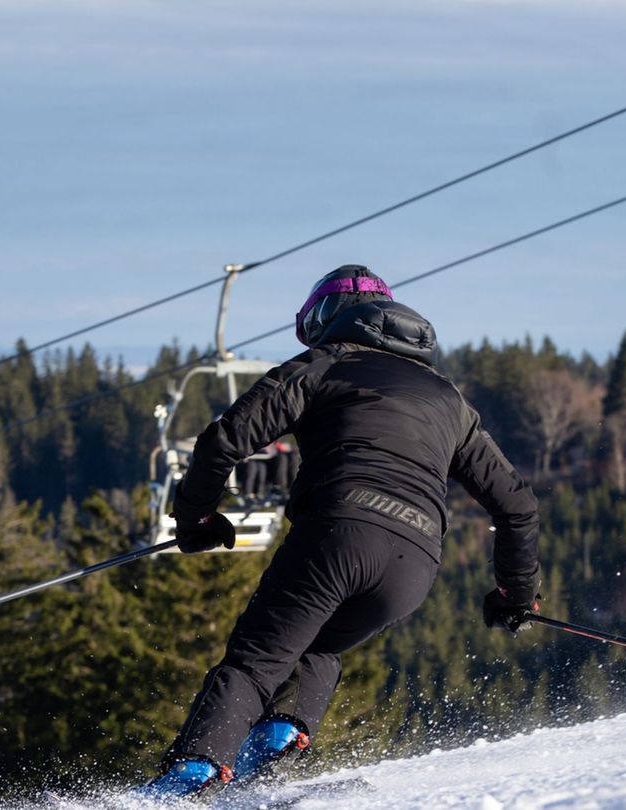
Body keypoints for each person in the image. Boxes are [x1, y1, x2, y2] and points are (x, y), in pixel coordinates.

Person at [139, 265, 541, 798]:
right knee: (319, 646)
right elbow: (516, 506)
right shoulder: (450, 401)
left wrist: (196, 520)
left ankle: (187, 777)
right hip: (415, 564)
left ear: (329, 320)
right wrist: (517, 593)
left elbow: (223, 442)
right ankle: (275, 740)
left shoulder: (323, 365)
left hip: (337, 534)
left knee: (255, 662)